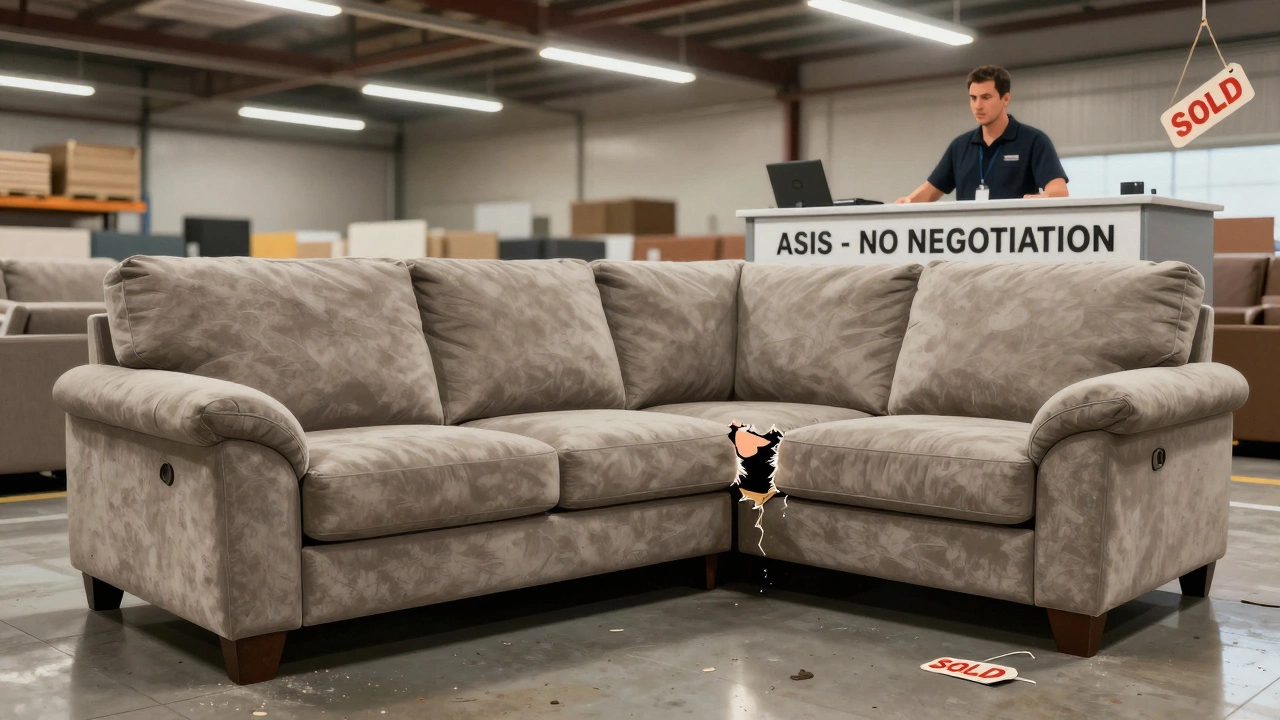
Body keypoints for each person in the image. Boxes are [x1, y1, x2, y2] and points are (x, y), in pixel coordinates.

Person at [896, 65, 1068, 203]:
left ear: (1005, 99)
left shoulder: (1033, 141)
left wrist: (1042, 198)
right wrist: (906, 203)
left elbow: (1059, 191)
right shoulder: (960, 146)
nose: (978, 106)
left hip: (1014, 235)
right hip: (968, 235)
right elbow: (929, 192)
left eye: (985, 97)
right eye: (973, 98)